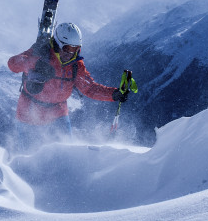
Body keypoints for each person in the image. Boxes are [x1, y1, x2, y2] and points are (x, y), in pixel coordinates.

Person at [8, 21, 129, 150]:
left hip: (58, 114)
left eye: (75, 49)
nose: (70, 53)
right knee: (29, 156)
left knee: (67, 154)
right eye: (67, 48)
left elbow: (89, 88)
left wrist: (113, 94)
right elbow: (13, 63)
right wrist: (35, 63)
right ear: (58, 44)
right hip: (29, 113)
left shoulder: (76, 65)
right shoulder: (41, 52)